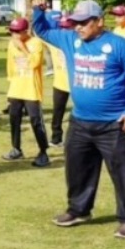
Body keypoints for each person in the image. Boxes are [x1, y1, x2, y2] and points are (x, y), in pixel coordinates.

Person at [32, 0, 125, 240]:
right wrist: (37, 11)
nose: (78, 27)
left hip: (114, 124)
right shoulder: (70, 40)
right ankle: (79, 210)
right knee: (77, 170)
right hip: (80, 122)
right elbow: (41, 30)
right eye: (76, 22)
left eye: (84, 22)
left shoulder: (118, 45)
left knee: (123, 174)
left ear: (99, 21)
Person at [2, 18, 51, 167]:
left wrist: (22, 47)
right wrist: (11, 82)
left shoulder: (36, 43)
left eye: (17, 32)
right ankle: (16, 148)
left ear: (26, 31)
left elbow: (35, 63)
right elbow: (10, 64)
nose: (14, 34)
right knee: (14, 119)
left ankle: (43, 152)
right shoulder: (11, 43)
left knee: (36, 121)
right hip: (16, 88)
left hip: (31, 89)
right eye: (12, 31)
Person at [44, 14, 74, 148]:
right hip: (60, 84)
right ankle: (56, 138)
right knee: (58, 112)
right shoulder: (54, 42)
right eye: (62, 27)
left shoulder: (77, 42)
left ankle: (77, 139)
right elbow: (39, 32)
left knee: (80, 112)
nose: (64, 30)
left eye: (67, 27)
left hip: (76, 83)